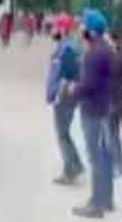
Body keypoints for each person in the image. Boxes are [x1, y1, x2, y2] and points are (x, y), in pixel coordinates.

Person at [68, 9, 114, 218]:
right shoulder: (104, 48)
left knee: (95, 157)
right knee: (103, 155)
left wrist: (73, 90)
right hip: (102, 107)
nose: (80, 29)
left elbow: (89, 84)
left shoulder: (94, 54)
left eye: (84, 26)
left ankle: (96, 205)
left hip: (93, 110)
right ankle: (105, 199)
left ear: (91, 31)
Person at [45, 13, 84, 185]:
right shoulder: (66, 46)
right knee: (64, 133)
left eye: (55, 27)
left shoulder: (67, 49)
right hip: (65, 96)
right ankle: (77, 165)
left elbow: (70, 75)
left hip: (64, 98)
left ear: (62, 28)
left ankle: (70, 171)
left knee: (62, 135)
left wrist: (58, 93)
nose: (53, 30)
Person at [107, 28, 122, 178]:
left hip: (113, 100)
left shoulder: (116, 57)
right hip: (116, 98)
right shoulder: (120, 55)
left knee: (113, 134)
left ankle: (118, 165)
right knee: (112, 133)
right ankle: (117, 164)